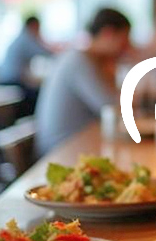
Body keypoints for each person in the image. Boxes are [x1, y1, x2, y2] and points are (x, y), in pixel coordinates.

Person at [34, 8, 132, 154]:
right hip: (61, 151)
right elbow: (112, 109)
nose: (127, 48)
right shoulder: (79, 61)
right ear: (108, 33)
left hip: (76, 145)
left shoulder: (87, 59)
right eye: (124, 41)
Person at [0, 15, 52, 116]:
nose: (39, 31)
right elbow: (45, 53)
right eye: (38, 28)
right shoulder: (26, 39)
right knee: (38, 97)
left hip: (9, 80)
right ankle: (27, 123)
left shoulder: (21, 38)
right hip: (13, 82)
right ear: (33, 26)